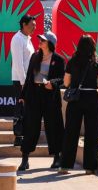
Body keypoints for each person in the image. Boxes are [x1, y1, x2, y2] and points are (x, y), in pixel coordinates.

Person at [17, 32, 64, 172]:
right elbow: (29, 78)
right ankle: (25, 159)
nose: (40, 41)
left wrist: (53, 83)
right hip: (34, 96)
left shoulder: (58, 59)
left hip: (50, 96)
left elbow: (62, 78)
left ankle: (57, 157)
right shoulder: (35, 56)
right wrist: (23, 95)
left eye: (43, 40)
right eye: (40, 39)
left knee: (53, 127)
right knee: (31, 127)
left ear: (50, 43)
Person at [59, 35, 98, 175]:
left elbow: (66, 82)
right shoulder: (97, 63)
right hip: (92, 98)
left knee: (71, 133)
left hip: (76, 99)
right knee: (92, 133)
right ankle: (90, 167)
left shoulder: (72, 61)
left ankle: (65, 166)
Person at [10, 15, 37, 122]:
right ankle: (18, 134)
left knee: (27, 108)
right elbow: (17, 63)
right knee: (20, 107)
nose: (34, 28)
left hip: (28, 79)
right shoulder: (17, 39)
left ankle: (25, 133)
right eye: (32, 25)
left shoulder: (27, 39)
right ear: (24, 25)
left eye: (35, 25)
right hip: (21, 80)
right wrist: (23, 82)